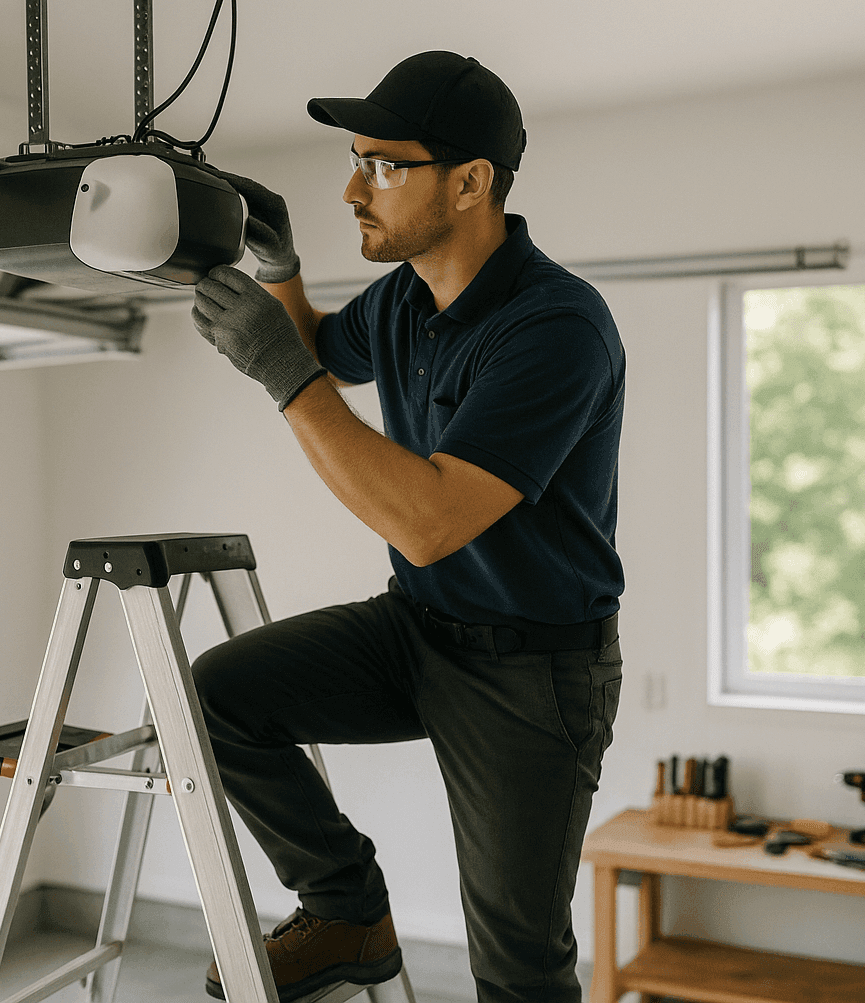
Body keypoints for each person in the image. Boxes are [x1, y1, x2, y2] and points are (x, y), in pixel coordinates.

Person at [189, 50, 625, 1003]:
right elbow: (317, 350)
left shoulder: (555, 327)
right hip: (418, 628)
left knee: (516, 964)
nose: (354, 190)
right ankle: (346, 911)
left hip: (533, 671)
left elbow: (430, 521)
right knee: (217, 698)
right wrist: (280, 270)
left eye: (384, 166)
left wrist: (281, 375)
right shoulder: (405, 296)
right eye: (356, 162)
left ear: (471, 183)